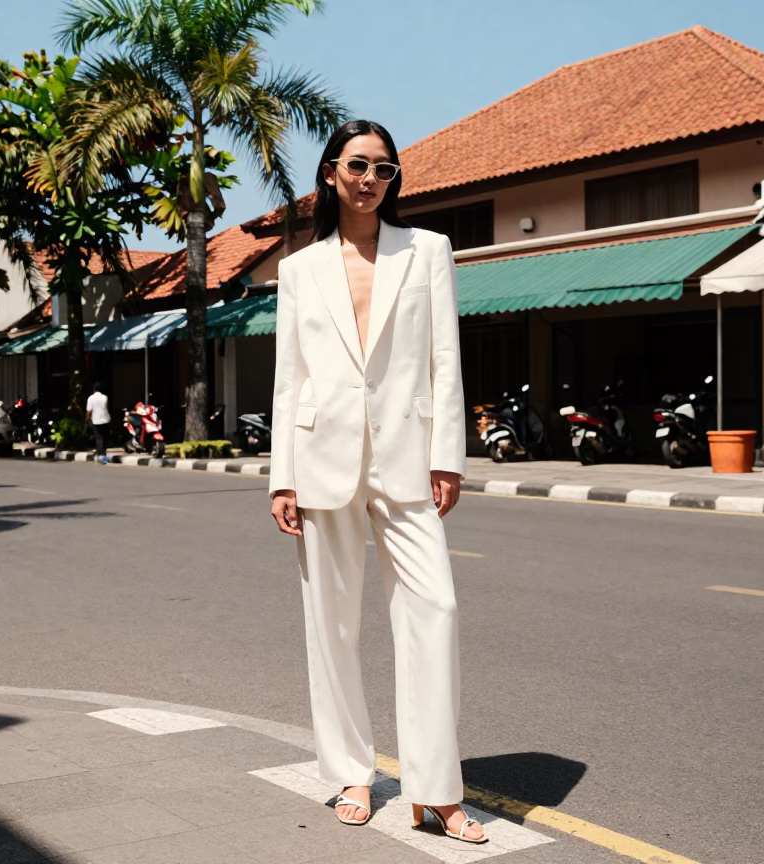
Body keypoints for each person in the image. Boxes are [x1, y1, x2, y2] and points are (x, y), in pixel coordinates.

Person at [268, 120, 484, 844]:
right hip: (320, 458)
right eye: (358, 165)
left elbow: (444, 357)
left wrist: (446, 453)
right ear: (330, 173)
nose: (370, 179)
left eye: (385, 169)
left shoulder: (427, 251)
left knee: (437, 610)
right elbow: (289, 379)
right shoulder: (299, 270)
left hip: (407, 458)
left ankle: (436, 791)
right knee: (330, 627)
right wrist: (282, 476)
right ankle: (350, 772)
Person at [85, 382, 111, 465]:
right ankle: (103, 453)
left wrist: (87, 419)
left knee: (99, 438)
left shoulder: (90, 398)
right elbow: (106, 407)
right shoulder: (105, 397)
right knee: (105, 437)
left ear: (94, 389)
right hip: (106, 419)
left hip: (96, 421)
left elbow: (89, 411)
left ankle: (101, 455)